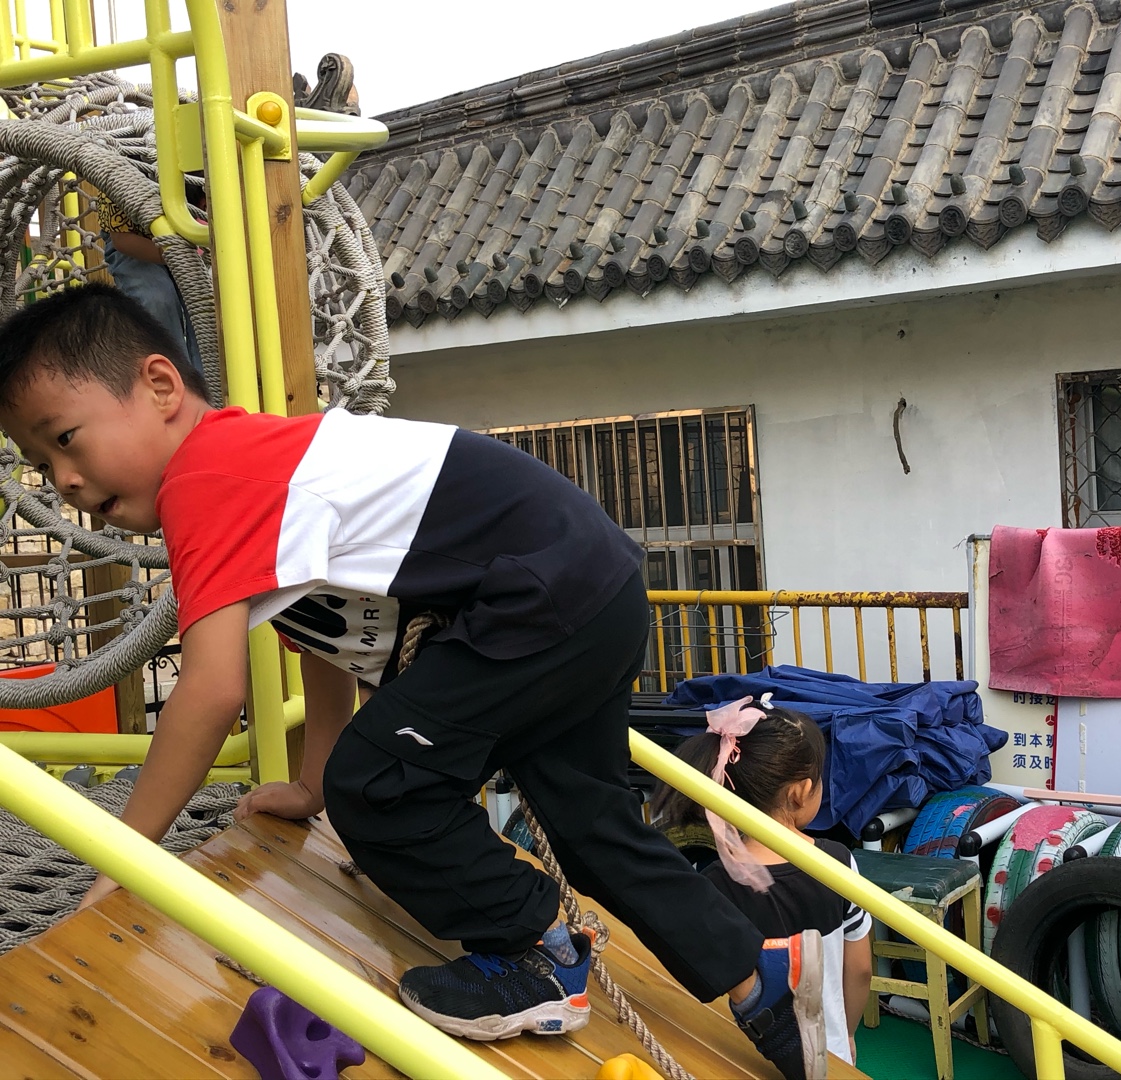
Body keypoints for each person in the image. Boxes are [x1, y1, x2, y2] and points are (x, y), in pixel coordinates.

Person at [0, 284, 827, 1080]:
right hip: (589, 585)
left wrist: (122, 860)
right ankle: (763, 983)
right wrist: (312, 785)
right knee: (592, 827)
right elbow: (322, 644)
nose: (62, 479)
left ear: (159, 387)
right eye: (40, 463)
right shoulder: (260, 471)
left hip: (536, 594)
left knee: (381, 783)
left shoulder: (206, 478)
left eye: (65, 438)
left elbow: (211, 692)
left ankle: (535, 951)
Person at [651, 696, 873, 1066]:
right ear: (800, 791)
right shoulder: (837, 863)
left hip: (745, 1058)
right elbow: (860, 969)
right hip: (827, 1056)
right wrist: (846, 1033)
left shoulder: (714, 882)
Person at [95, 180, 208, 392]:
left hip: (189, 238)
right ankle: (174, 386)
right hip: (134, 241)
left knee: (204, 302)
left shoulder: (201, 178)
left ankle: (210, 387)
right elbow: (123, 240)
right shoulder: (120, 175)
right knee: (156, 298)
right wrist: (177, 255)